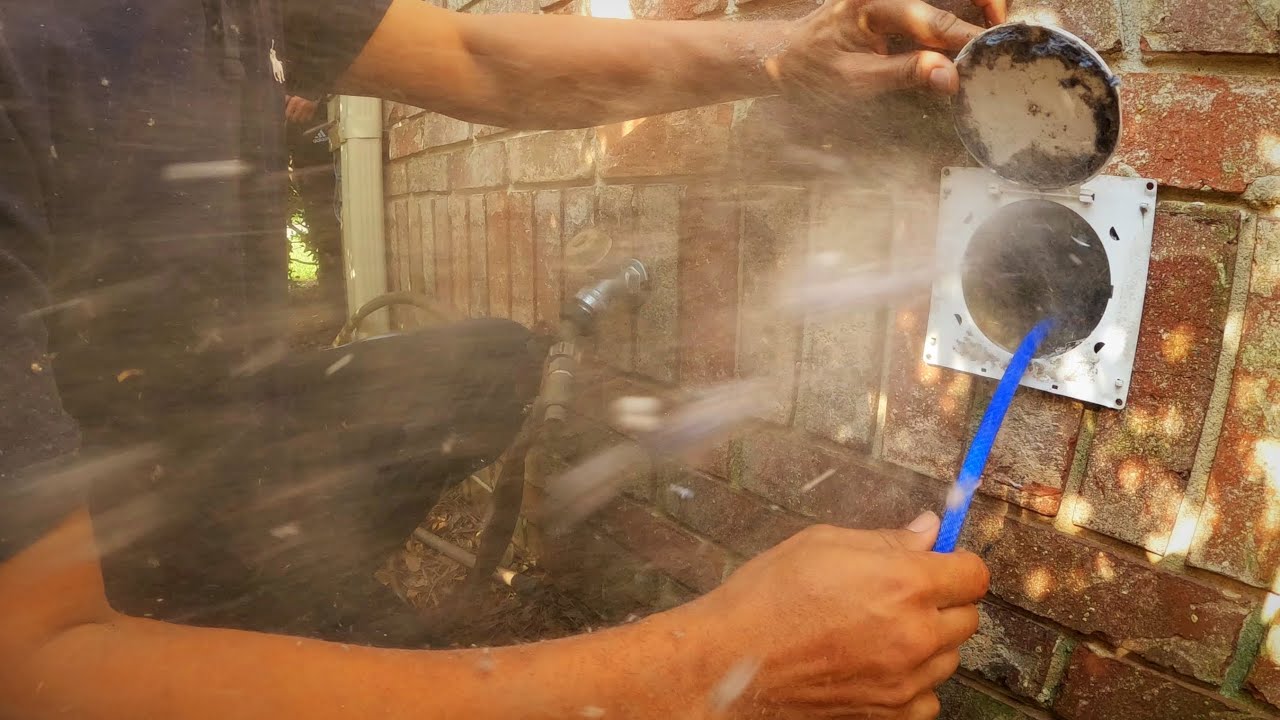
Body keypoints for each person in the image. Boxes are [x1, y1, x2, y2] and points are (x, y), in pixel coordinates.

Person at [0, 0, 1004, 717]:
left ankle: (287, 615)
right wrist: (711, 668)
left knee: (477, 367)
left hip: (189, 451)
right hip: (65, 568)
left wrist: (783, 49)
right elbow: (36, 673)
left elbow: (470, 52)